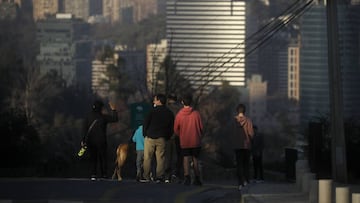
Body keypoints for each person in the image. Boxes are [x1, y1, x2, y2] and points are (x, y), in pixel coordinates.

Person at [140, 94, 175, 183]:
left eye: (155, 100)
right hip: (162, 138)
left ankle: (146, 176)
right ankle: (159, 176)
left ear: (159, 101)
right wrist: (167, 136)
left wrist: (145, 134)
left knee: (147, 157)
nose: (153, 101)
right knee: (160, 158)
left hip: (150, 137)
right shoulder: (169, 113)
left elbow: (145, 123)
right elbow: (171, 127)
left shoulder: (151, 111)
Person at [81, 100, 118, 181]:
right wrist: (114, 110)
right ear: (101, 108)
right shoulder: (103, 117)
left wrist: (83, 140)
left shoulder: (88, 117)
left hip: (91, 141)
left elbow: (84, 129)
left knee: (93, 158)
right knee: (103, 158)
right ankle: (104, 174)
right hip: (102, 141)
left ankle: (93, 174)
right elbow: (115, 119)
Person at [174, 94, 203, 186]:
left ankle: (187, 177)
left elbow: (176, 129)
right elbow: (201, 127)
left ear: (182, 102)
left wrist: (180, 135)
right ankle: (197, 178)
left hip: (184, 140)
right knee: (195, 159)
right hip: (195, 140)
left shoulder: (179, 115)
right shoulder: (196, 114)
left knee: (185, 158)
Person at [233, 103, 254, 190]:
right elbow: (251, 133)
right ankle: (246, 180)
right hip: (246, 145)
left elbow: (232, 133)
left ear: (237, 111)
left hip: (237, 145)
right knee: (246, 164)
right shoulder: (248, 120)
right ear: (244, 111)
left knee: (239, 165)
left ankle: (240, 183)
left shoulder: (234, 120)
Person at [164, 94, 183, 183]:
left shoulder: (166, 109)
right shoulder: (181, 110)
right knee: (178, 155)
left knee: (167, 155)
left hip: (168, 135)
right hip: (179, 135)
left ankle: (167, 175)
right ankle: (176, 174)